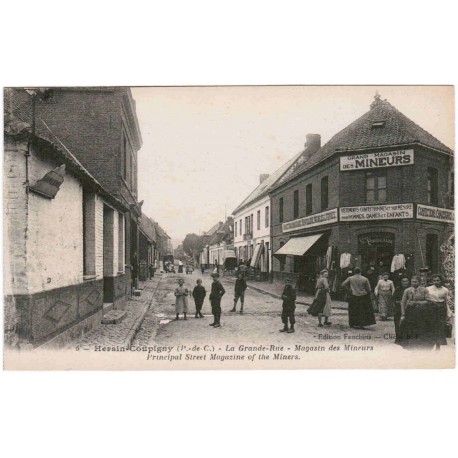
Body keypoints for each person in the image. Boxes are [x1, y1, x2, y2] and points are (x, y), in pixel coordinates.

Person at [426, 274, 453, 350]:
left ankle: (438, 345)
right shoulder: (428, 289)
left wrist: (448, 312)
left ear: (441, 281)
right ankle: (430, 344)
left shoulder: (445, 290)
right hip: (431, 308)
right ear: (432, 281)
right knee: (431, 326)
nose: (436, 282)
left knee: (440, 327)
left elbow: (447, 302)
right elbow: (426, 299)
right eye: (434, 280)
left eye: (438, 280)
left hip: (441, 309)